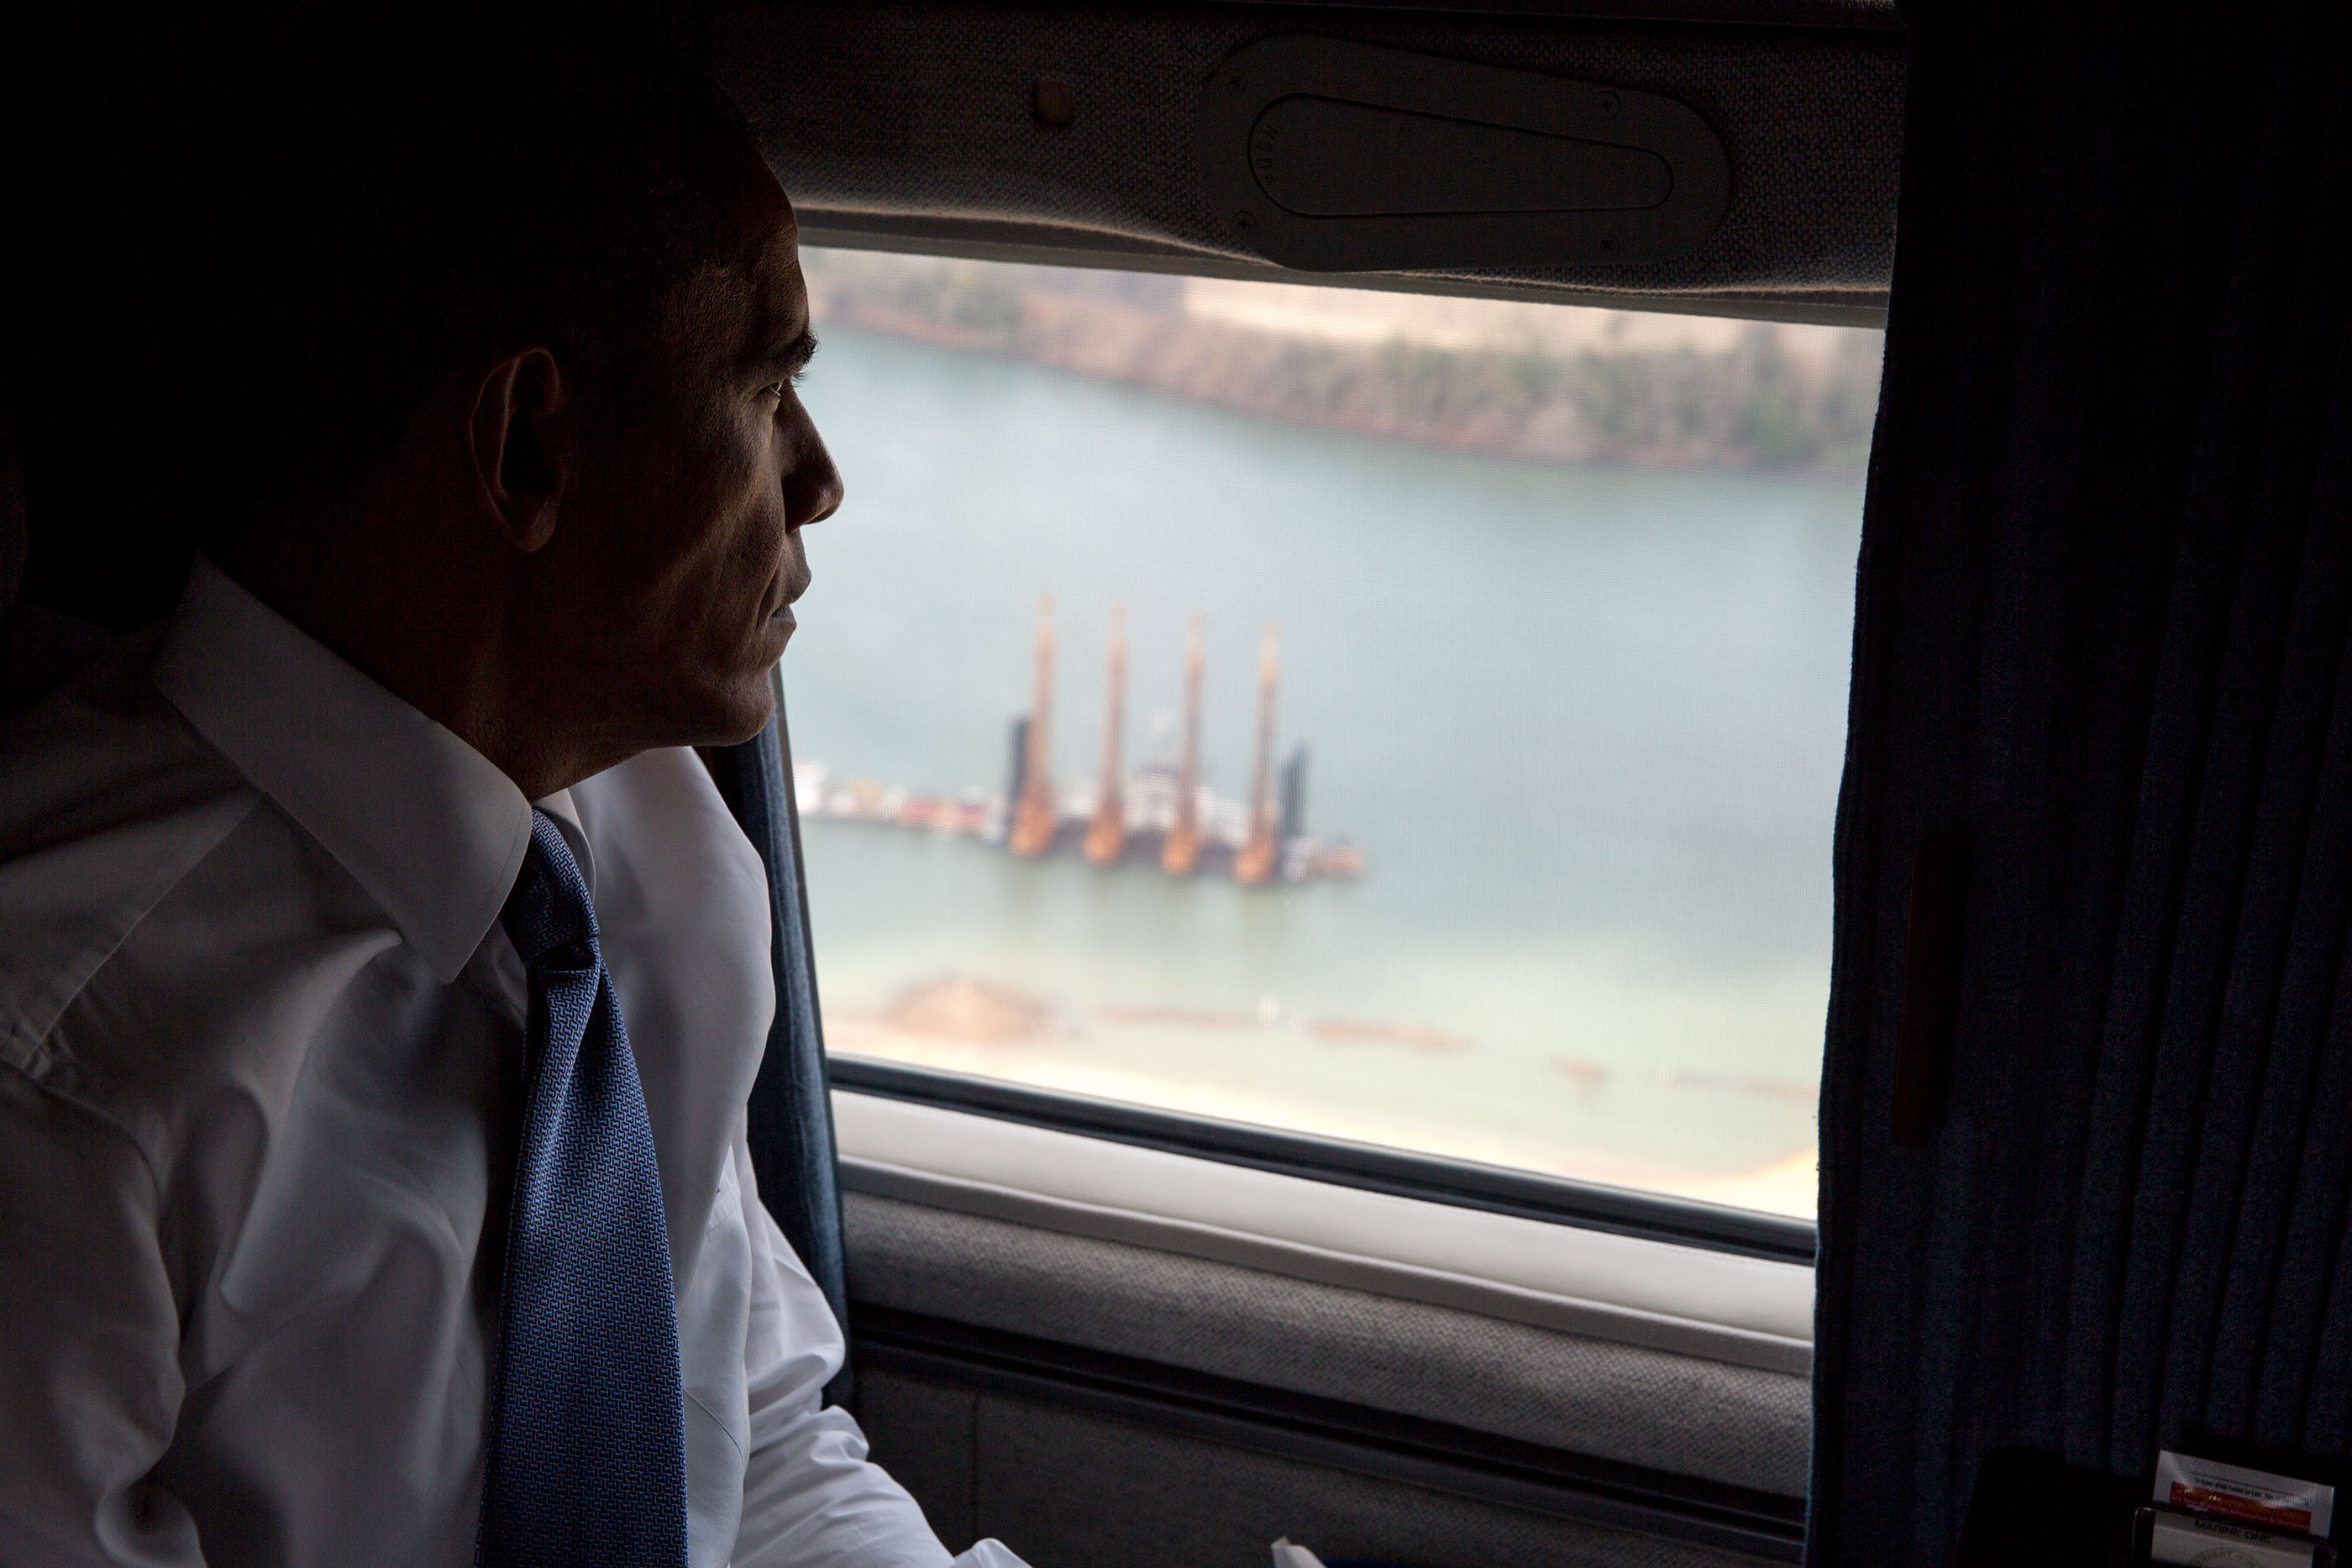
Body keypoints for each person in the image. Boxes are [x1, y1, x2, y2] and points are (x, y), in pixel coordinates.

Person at [0, 14, 1026, 1568]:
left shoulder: (663, 854)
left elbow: (751, 1454)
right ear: (530, 449)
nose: (816, 478)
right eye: (762, 389)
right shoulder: (64, 1077)